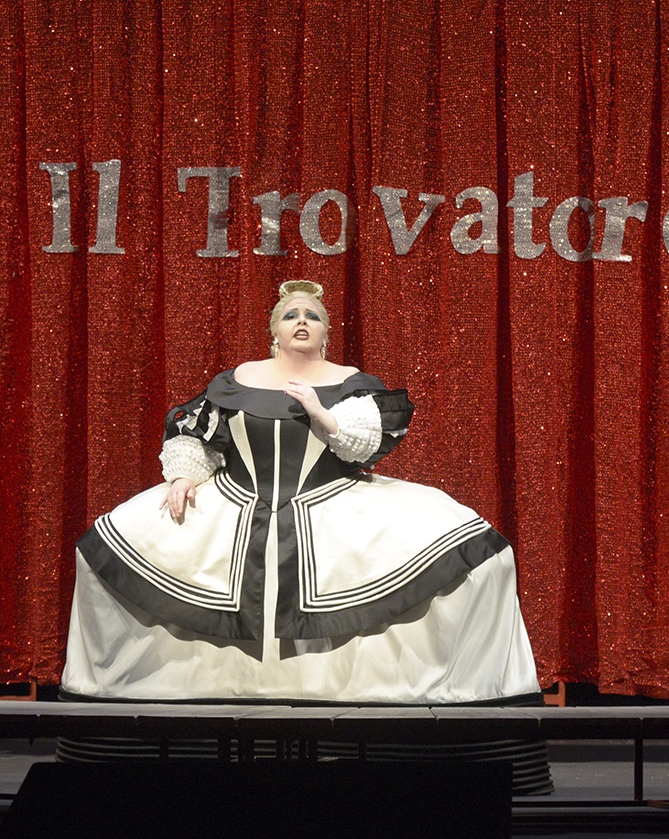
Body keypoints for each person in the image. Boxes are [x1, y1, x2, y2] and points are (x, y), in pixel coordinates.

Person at [62, 280, 540, 707]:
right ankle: (170, 686)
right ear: (275, 330)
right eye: (291, 314)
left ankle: (435, 687)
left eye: (312, 315)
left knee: (483, 557)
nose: (302, 321)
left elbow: (362, 444)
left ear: (326, 331)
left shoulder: (348, 382)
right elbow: (203, 435)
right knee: (107, 543)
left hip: (331, 497)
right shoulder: (237, 380)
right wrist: (185, 476)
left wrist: (321, 412)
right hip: (237, 496)